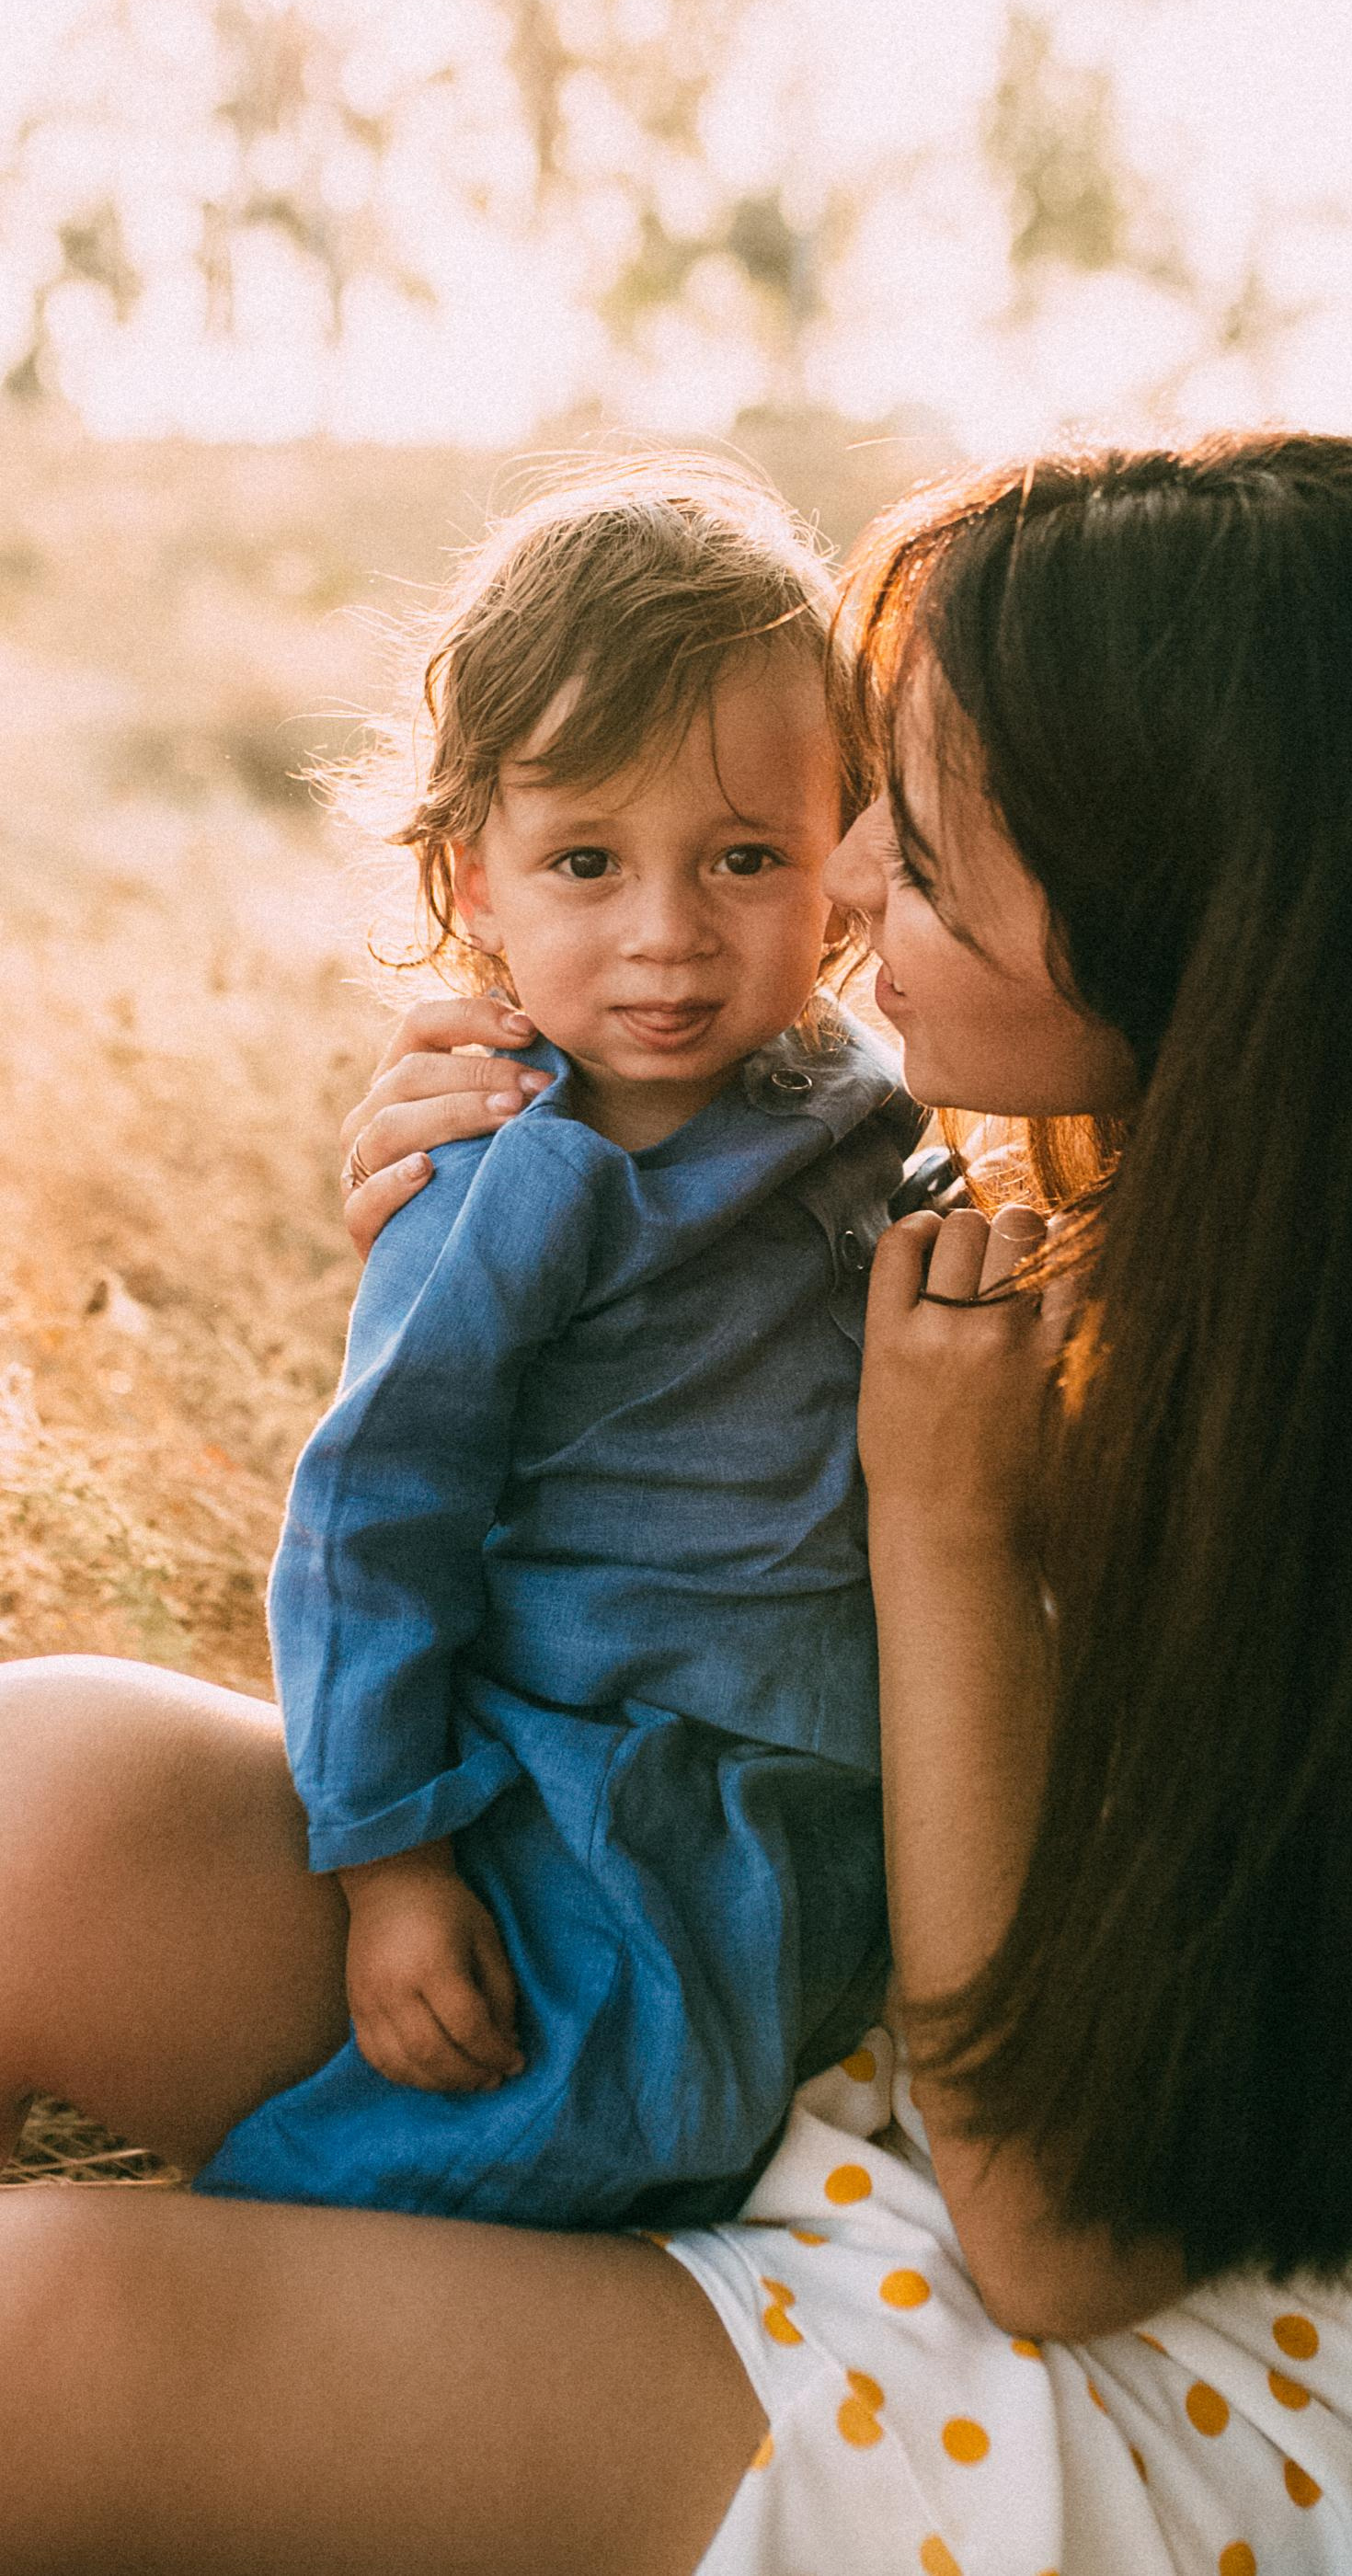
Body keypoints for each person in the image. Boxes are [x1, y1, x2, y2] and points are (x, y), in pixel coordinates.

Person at [0, 433, 1352, 2576]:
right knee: (30, 1785)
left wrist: (944, 1528)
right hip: (801, 2012)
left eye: (906, 846)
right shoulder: (1165, 1186)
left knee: (41, 2342)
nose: (834, 884)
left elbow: (1051, 2234)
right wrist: (534, 1185)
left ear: (1180, 904)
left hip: (1178, 2361)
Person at [197, 458, 916, 2231]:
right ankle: (273, 2291)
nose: (668, 934)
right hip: (602, 1790)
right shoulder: (501, 1174)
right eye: (586, 862)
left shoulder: (864, 1106)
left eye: (744, 857)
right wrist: (392, 1866)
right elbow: (372, 1521)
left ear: (842, 857)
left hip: (841, 1778)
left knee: (776, 2109)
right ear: (478, 879)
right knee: (571, 2129)